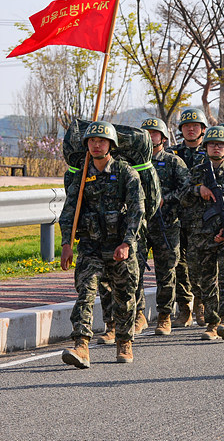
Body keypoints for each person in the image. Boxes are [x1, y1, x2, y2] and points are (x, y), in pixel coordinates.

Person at [61, 121, 145, 367]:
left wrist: (128, 242)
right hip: (91, 246)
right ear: (86, 145)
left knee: (124, 297)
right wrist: (66, 243)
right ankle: (81, 346)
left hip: (120, 245)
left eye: (102, 141)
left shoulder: (126, 173)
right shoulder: (82, 173)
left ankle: (124, 341)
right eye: (92, 141)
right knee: (85, 293)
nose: (96, 145)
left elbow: (137, 211)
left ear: (111, 145)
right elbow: (69, 212)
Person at [179, 126, 224, 340]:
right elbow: (182, 196)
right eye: (212, 144)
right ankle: (212, 322)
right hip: (201, 235)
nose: (216, 147)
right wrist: (198, 190)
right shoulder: (197, 171)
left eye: (220, 144)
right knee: (205, 280)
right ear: (206, 147)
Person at [140, 118, 191, 336]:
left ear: (162, 137)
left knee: (167, 272)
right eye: (147, 133)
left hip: (167, 224)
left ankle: (164, 316)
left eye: (154, 133)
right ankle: (138, 315)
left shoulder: (173, 162)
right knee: (133, 272)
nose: (151, 137)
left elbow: (187, 188)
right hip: (140, 225)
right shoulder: (134, 162)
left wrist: (165, 198)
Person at [170, 107, 209, 327]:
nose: (191, 129)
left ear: (203, 129)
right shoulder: (173, 155)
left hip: (203, 219)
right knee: (179, 265)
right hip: (177, 218)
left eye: (195, 126)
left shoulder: (212, 151)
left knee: (199, 264)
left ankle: (201, 304)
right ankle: (184, 308)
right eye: (186, 126)